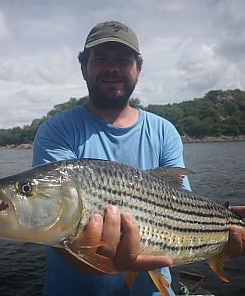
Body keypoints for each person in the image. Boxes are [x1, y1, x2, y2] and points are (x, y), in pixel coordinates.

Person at [33, 21, 245, 296]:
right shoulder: (56, 130)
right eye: (100, 59)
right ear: (83, 67)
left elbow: (181, 211)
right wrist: (104, 261)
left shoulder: (164, 130)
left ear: (138, 69)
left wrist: (223, 239)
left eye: (123, 59)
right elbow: (59, 230)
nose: (112, 68)